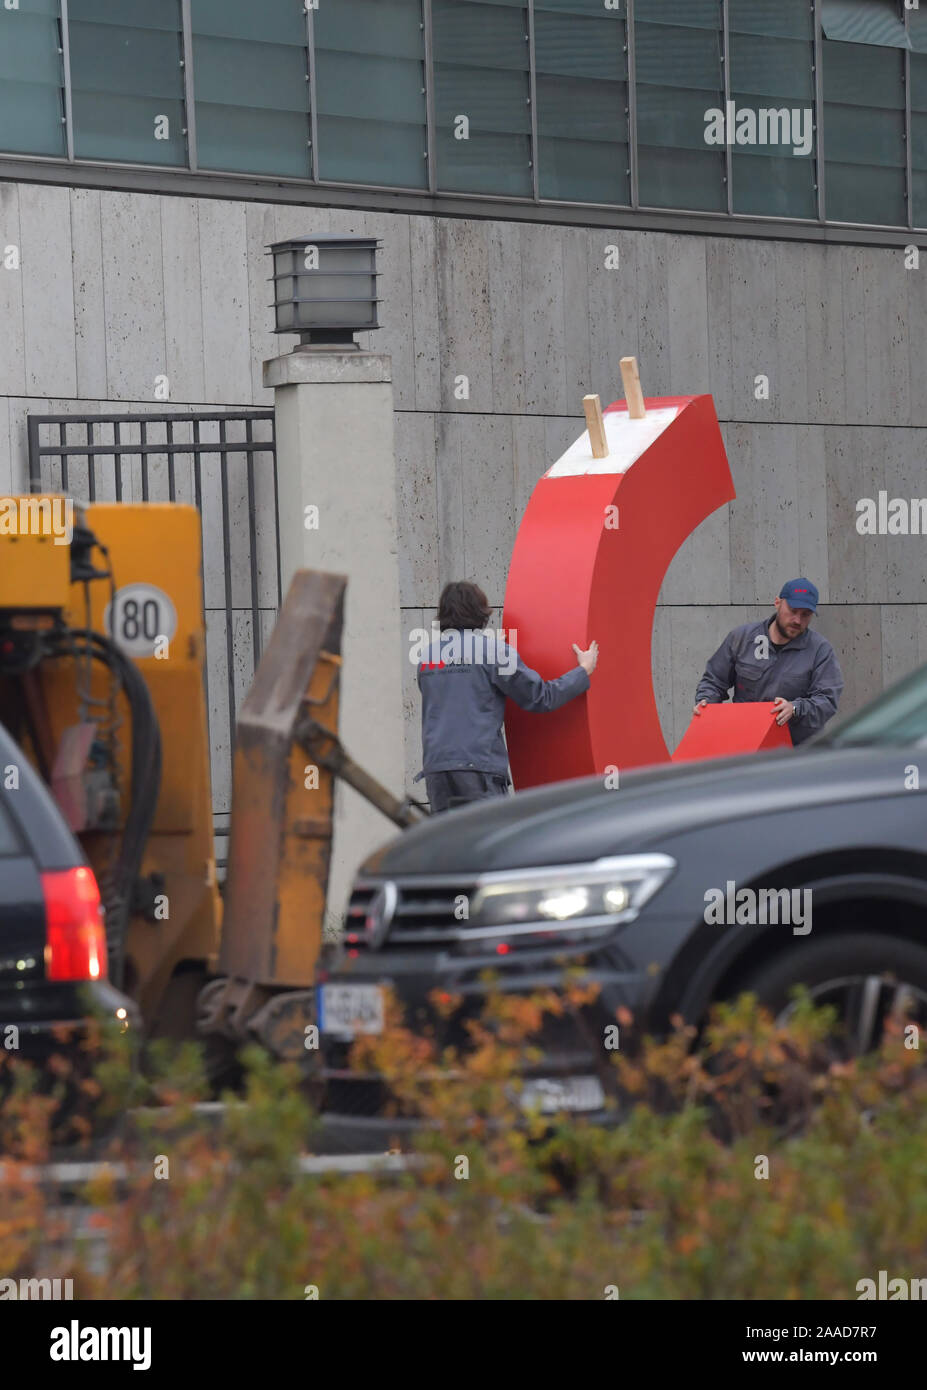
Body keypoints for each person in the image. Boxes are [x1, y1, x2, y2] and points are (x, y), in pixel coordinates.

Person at [415, 580, 598, 813]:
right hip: (478, 769)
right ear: (480, 612)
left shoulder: (427, 657)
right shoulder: (494, 652)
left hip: (437, 769)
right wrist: (583, 671)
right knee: (491, 840)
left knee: (451, 844)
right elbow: (541, 696)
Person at [692, 578, 843, 745]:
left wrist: (795, 708)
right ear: (777, 602)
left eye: (805, 615)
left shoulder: (820, 650)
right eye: (793, 611)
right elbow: (714, 680)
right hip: (744, 744)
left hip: (795, 751)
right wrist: (706, 702)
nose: (797, 620)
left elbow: (827, 700)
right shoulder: (741, 638)